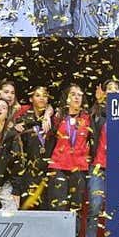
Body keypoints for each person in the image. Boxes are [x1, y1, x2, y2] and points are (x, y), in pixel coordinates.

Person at [81, 79, 119, 237]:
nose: (112, 91)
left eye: (115, 89)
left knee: (115, 209)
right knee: (95, 207)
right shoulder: (97, 112)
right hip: (98, 166)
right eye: (108, 89)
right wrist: (98, 102)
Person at [46, 84, 92, 222]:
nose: (77, 97)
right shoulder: (58, 117)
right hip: (58, 166)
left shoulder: (88, 118)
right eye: (73, 94)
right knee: (58, 207)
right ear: (66, 98)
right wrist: (47, 113)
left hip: (79, 167)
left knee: (75, 208)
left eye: (79, 94)